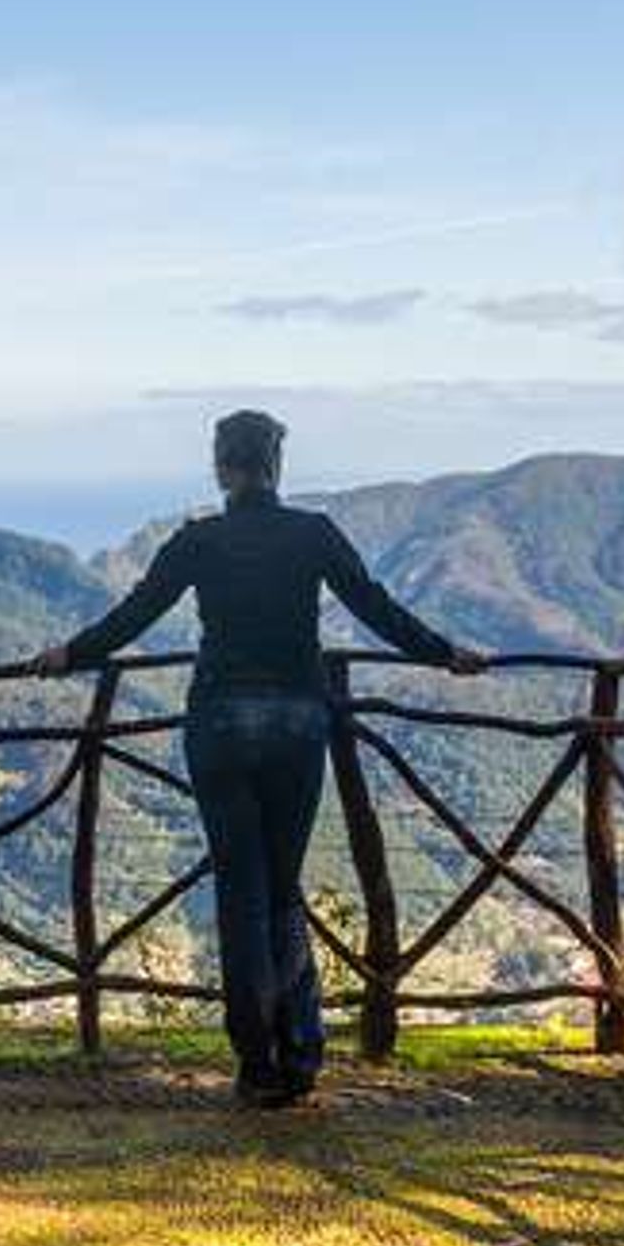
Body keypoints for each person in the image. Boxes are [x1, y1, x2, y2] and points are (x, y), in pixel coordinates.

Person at [30, 409, 486, 1108]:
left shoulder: (197, 541)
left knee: (240, 893)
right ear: (277, 464)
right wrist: (443, 652)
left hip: (217, 720)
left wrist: (69, 655)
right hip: (299, 720)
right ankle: (299, 1054)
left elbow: (134, 614)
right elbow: (375, 607)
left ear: (221, 466)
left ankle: (257, 1063)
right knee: (281, 888)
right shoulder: (314, 534)